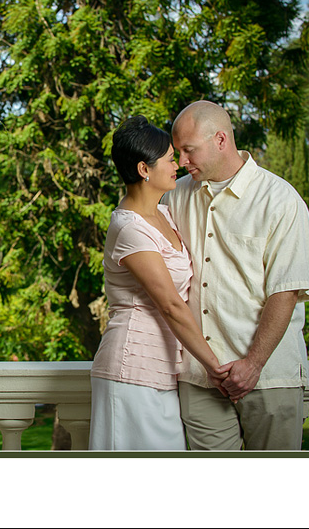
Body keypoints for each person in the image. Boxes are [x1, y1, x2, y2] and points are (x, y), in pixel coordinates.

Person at [165, 100, 309, 450]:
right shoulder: (175, 197)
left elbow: (286, 291)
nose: (182, 162)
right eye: (178, 152)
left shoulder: (281, 201)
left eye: (189, 150)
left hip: (270, 377)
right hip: (201, 379)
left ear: (220, 140)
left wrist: (253, 363)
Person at [88, 116, 230, 451]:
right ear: (143, 169)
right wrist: (217, 370)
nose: (178, 163)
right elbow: (170, 304)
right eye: (169, 158)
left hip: (164, 373)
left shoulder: (163, 214)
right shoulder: (129, 228)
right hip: (131, 370)